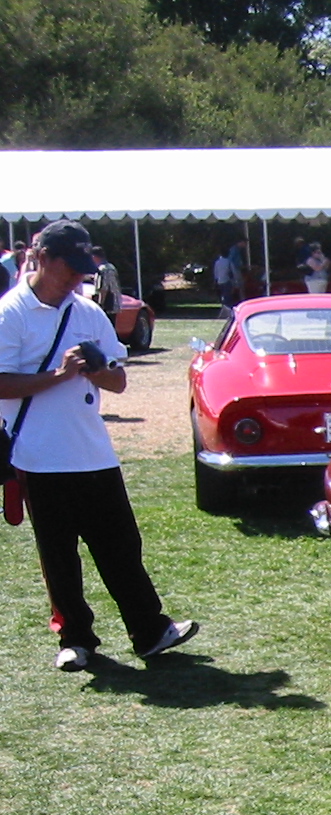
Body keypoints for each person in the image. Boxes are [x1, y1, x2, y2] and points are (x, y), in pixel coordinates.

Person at [0, 220, 198, 671]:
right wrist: (59, 375)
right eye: (68, 267)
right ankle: (75, 639)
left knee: (121, 545)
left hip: (92, 451)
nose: (75, 278)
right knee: (59, 554)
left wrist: (95, 370)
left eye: (81, 268)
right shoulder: (10, 313)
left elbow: (120, 380)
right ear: (42, 258)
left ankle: (149, 628)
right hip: (38, 455)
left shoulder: (86, 311)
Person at [90, 247, 121, 318]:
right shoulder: (110, 267)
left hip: (108, 305)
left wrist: (100, 304)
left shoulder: (103, 269)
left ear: (94, 257)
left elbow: (104, 288)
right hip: (113, 304)